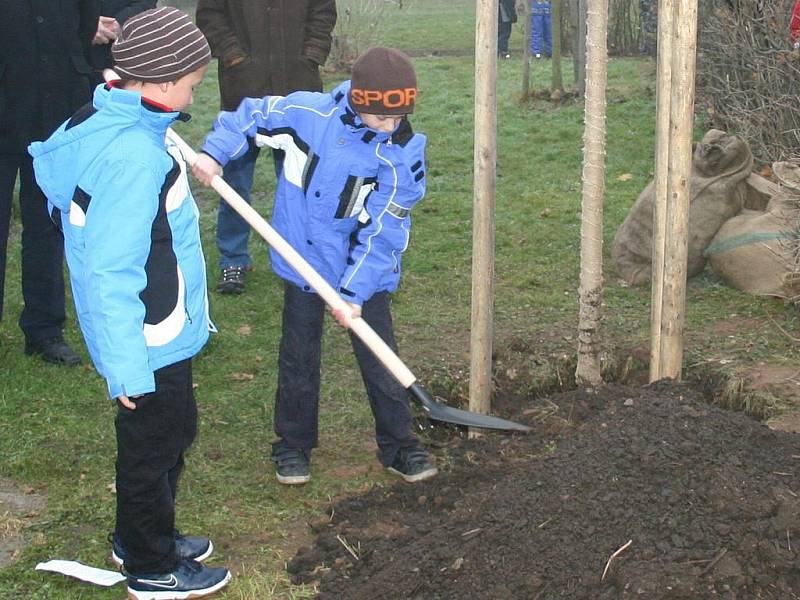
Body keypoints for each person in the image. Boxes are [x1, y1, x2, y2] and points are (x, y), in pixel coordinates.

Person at [28, 8, 231, 599]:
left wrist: (165, 140)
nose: (196, 90)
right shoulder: (132, 160)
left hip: (159, 325)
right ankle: (152, 565)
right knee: (154, 447)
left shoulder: (119, 113)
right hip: (149, 332)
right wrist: (125, 366)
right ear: (164, 82)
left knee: (174, 432)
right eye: (193, 83)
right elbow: (111, 269)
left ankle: (141, 534)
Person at [193, 47, 438, 486]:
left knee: (380, 357)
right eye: (381, 118)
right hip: (302, 262)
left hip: (363, 271)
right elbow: (247, 117)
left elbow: (384, 232)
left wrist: (354, 293)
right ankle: (292, 445)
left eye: (398, 118)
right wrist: (214, 154)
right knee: (299, 356)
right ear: (359, 101)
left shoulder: (401, 155)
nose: (391, 126)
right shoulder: (307, 116)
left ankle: (400, 445)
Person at [196, 0, 337, 295]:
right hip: (242, 91)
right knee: (234, 183)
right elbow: (210, 16)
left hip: (298, 92)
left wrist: (310, 54)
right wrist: (235, 57)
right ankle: (233, 259)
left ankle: (304, 257)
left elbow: (323, 11)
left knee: (302, 184)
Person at [0, 1, 99, 366]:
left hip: (55, 107)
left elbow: (85, 22)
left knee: (47, 225)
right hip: (6, 102)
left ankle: (44, 330)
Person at [88, 0, 158, 85]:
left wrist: (121, 22)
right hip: (75, 57)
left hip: (128, 55)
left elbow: (146, 2)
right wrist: (86, 25)